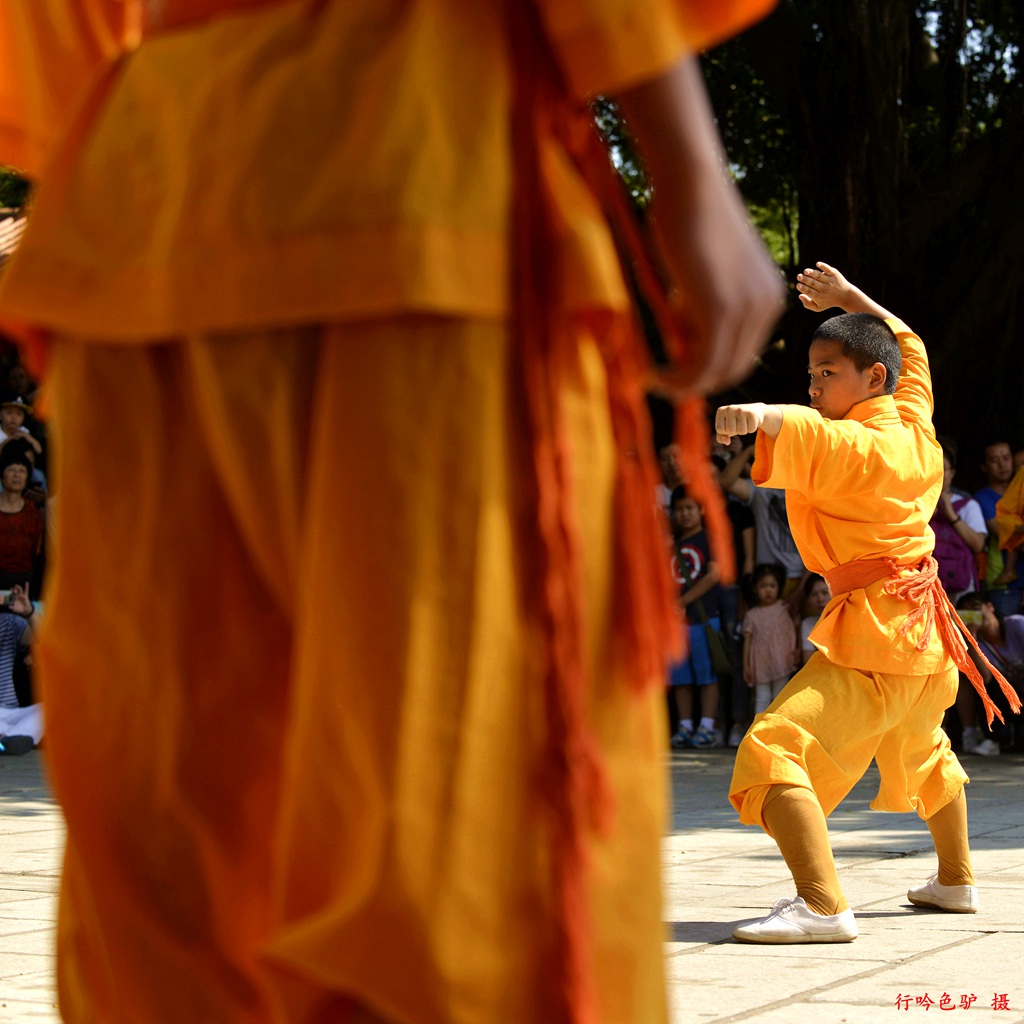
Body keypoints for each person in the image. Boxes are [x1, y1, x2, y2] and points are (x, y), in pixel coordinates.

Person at [0, 2, 784, 1023]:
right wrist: (684, 169)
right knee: (454, 849)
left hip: (146, 200)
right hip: (407, 181)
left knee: (168, 852)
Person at [715, 262, 1019, 945]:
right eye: (812, 375)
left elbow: (810, 432)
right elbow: (911, 346)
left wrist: (759, 414)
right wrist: (853, 300)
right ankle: (956, 878)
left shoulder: (859, 440)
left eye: (828, 372)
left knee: (772, 746)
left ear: (869, 380)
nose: (815, 384)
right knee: (924, 748)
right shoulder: (915, 421)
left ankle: (822, 905)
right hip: (927, 632)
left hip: (880, 629)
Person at [667, 485, 724, 749]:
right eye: (679, 510)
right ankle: (686, 726)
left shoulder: (709, 539)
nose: (685, 514)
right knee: (680, 677)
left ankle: (707, 726)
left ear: (700, 510)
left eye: (689, 508)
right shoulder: (672, 544)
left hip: (703, 617)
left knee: (706, 674)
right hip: (677, 624)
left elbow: (713, 574)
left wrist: (683, 601)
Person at [955, 593, 1024, 757]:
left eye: (976, 607)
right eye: (967, 612)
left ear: (990, 606)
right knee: (975, 680)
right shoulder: (976, 643)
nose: (974, 615)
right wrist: (971, 641)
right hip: (1006, 697)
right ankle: (992, 738)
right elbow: (985, 678)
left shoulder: (1017, 624)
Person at [930, 437, 985, 602]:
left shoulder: (968, 505)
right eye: (934, 467)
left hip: (962, 590)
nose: (939, 472)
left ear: (952, 473)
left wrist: (951, 515)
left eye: (944, 468)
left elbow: (979, 545)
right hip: (927, 583)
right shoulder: (918, 505)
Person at [974, 439, 1023, 615]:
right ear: (984, 466)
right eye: (995, 460)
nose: (1002, 465)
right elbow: (1002, 533)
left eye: (1006, 458)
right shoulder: (983, 498)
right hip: (1002, 583)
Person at [742, 563, 797, 715]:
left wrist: (795, 650)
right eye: (763, 586)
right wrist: (746, 664)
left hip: (782, 659)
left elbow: (794, 630)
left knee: (780, 697)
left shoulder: (784, 608)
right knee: (762, 698)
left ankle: (778, 731)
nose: (768, 590)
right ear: (755, 589)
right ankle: (758, 732)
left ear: (779, 587)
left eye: (772, 586)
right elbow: (747, 641)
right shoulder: (752, 615)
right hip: (760, 663)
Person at [0, 582, 42, 753]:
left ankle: (7, 739)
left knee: (49, 710)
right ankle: (9, 739)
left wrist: (30, 613)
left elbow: (44, 638)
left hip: (12, 713)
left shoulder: (8, 622)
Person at [0, 445, 42, 590]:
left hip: (22, 583)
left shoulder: (32, 514)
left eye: (22, 471)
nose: (17, 475)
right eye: (11, 470)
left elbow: (36, 553)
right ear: (2, 476)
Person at [799, 574, 830, 666]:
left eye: (824, 593)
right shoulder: (808, 624)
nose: (820, 599)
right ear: (807, 600)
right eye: (813, 595)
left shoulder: (848, 618)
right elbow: (808, 662)